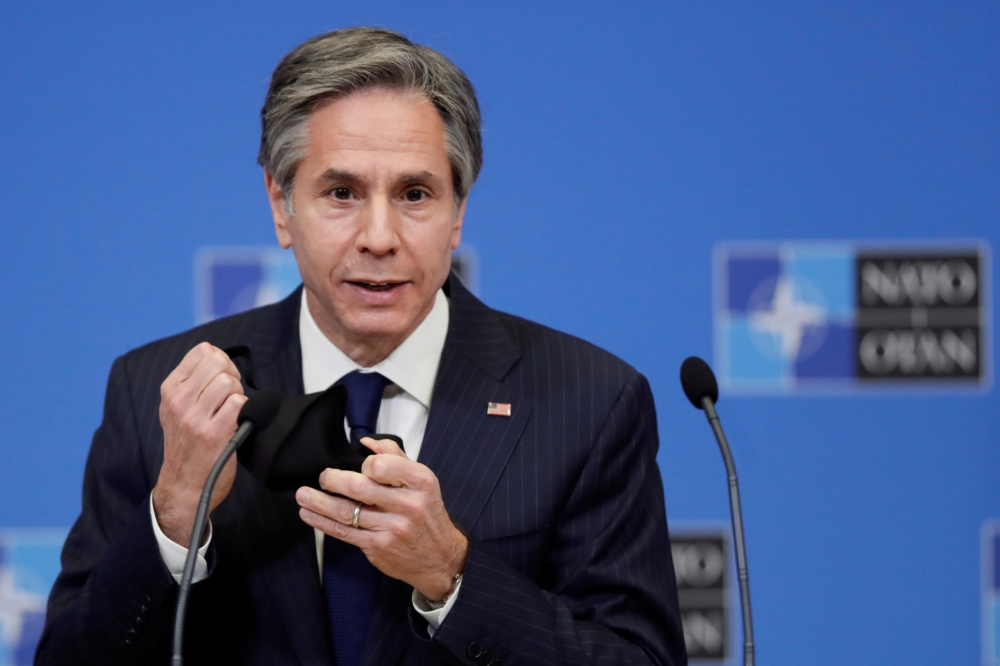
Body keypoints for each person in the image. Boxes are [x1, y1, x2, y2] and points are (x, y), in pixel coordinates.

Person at [36, 27, 687, 666]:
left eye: (414, 194)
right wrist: (175, 515)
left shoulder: (589, 402)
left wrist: (453, 577)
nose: (379, 236)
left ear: (458, 211)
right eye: (342, 193)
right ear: (281, 206)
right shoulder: (157, 389)